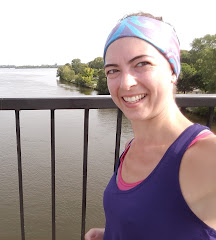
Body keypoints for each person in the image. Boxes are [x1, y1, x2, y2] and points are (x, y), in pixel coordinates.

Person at [85, 12, 216, 240]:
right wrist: (112, 233)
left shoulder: (206, 156)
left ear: (173, 71)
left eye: (142, 64)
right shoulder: (131, 147)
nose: (126, 83)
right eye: (113, 70)